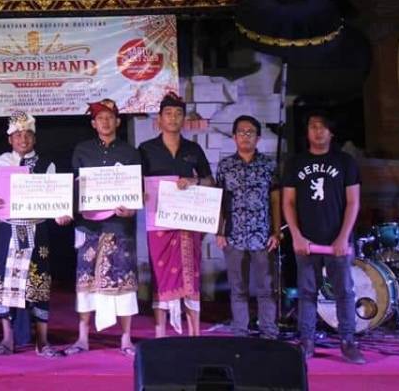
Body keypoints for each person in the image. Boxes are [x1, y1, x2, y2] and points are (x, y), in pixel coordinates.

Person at [281, 111, 365, 364]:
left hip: (337, 240)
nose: (317, 131)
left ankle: (348, 341)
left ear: (331, 132)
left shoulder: (345, 162)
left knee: (344, 292)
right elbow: (288, 202)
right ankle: (307, 341)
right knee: (307, 292)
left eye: (322, 127)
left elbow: (353, 202)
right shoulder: (295, 163)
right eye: (313, 126)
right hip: (306, 241)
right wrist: (296, 236)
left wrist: (343, 237)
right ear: (307, 132)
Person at [0, 111, 69, 358]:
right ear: (10, 139)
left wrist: (61, 213)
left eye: (28, 135)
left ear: (34, 138)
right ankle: (7, 339)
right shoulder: (1, 162)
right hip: (8, 230)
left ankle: (42, 340)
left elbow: (56, 197)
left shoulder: (46, 164)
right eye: (18, 135)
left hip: (36, 229)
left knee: (39, 282)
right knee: (5, 282)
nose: (23, 139)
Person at [64, 99, 141, 359]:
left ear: (118, 121)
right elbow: (74, 186)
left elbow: (137, 190)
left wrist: (132, 209)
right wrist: (66, 208)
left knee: (124, 282)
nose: (105, 122)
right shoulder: (82, 150)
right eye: (100, 118)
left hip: (119, 226)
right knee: (85, 283)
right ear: (93, 123)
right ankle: (83, 337)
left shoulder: (130, 152)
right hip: (89, 227)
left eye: (110, 118)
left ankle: (126, 338)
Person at [139, 92, 213, 338]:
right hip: (158, 225)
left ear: (184, 119)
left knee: (191, 275)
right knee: (160, 276)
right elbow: (136, 182)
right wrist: (141, 192)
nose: (173, 118)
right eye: (168, 114)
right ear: (159, 119)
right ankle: (160, 334)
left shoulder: (193, 149)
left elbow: (210, 181)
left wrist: (194, 181)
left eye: (178, 114)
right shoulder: (146, 149)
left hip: (188, 223)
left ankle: (194, 334)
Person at [214, 115, 280, 339]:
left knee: (266, 288)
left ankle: (269, 332)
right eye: (241, 132)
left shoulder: (268, 165)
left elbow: (275, 199)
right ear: (234, 137)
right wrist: (219, 231)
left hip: (262, 236)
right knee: (238, 288)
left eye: (250, 132)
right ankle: (240, 332)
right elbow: (220, 200)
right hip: (233, 235)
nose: (245, 136)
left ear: (258, 138)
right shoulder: (225, 166)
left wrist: (276, 231)